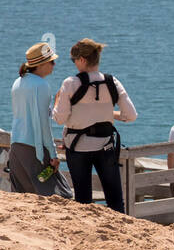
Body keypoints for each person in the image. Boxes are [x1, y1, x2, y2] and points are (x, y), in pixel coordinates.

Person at [52, 38, 137, 213]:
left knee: (83, 200)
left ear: (82, 59)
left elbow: (59, 118)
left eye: (73, 60)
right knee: (115, 199)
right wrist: (106, 114)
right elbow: (131, 116)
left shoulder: (70, 83)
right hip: (105, 145)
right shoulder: (112, 82)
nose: (74, 64)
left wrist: (57, 100)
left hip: (77, 147)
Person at [7, 42, 72, 197]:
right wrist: (53, 154)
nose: (54, 64)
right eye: (51, 61)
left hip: (16, 148)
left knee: (23, 198)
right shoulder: (41, 85)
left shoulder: (18, 82)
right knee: (63, 195)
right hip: (35, 151)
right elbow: (43, 124)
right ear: (41, 64)